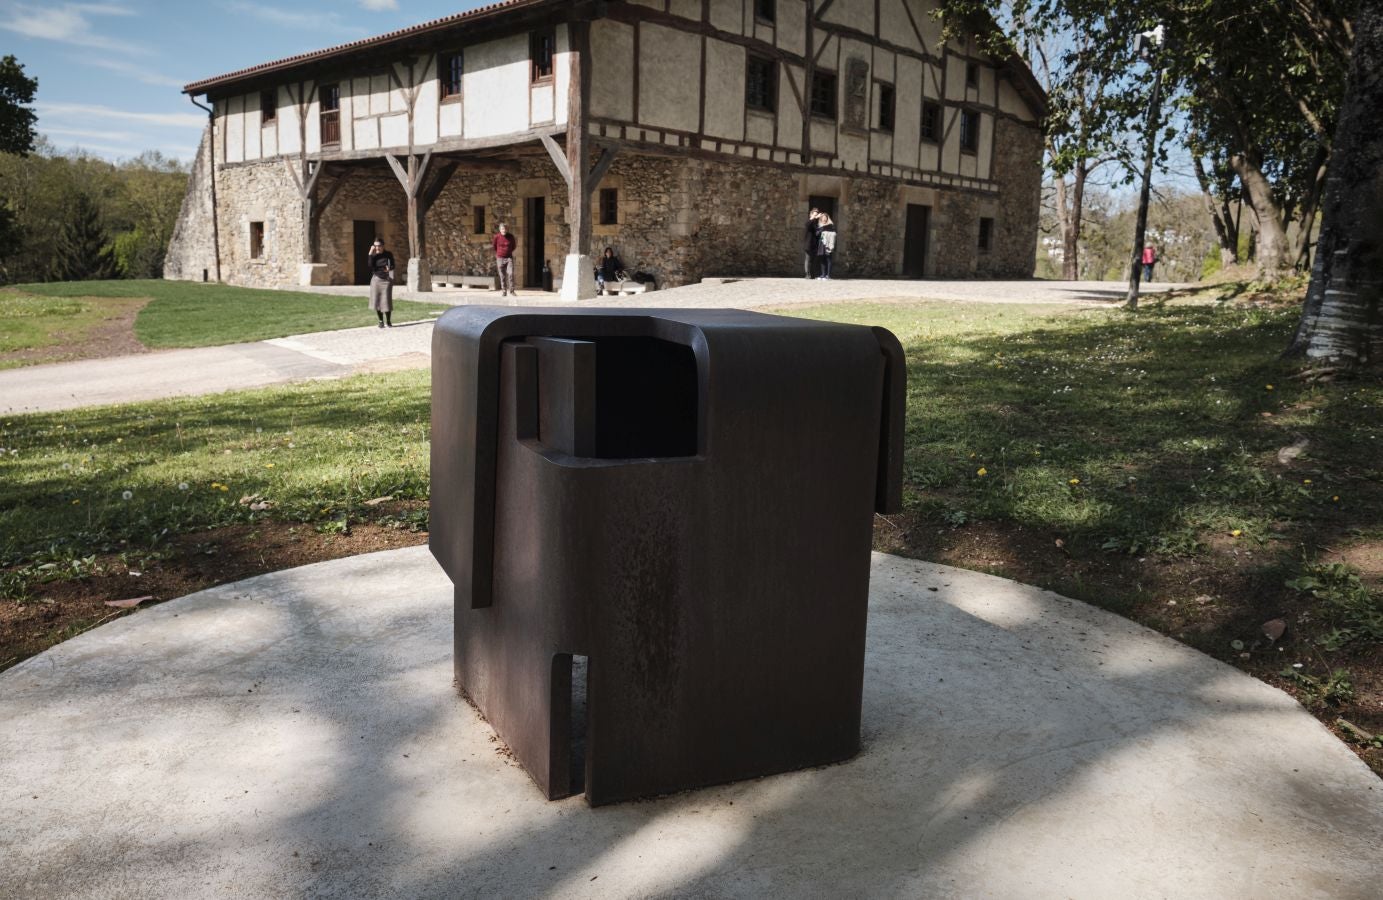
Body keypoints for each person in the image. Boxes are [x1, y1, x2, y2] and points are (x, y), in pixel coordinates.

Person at [367, 237, 395, 328]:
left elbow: (393, 265)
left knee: (386, 300)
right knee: (377, 301)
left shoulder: (388, 254)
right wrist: (370, 253)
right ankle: (380, 321)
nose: (377, 248)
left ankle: (388, 321)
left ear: (383, 246)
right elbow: (370, 266)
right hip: (376, 280)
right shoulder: (374, 255)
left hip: (386, 280)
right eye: (375, 246)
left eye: (379, 246)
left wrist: (389, 268)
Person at [493, 223, 517, 296]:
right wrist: (500, 253)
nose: (504, 230)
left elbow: (513, 246)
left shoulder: (510, 236)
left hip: (509, 258)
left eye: (505, 228)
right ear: (500, 230)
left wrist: (508, 252)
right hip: (500, 258)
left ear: (507, 229)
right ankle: (504, 291)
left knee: (510, 273)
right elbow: (494, 246)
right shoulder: (496, 237)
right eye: (503, 229)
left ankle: (512, 291)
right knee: (502, 275)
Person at [815, 213, 837, 279]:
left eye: (825, 217)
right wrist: (821, 229)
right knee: (822, 259)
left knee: (828, 259)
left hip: (828, 244)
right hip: (822, 243)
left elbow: (834, 233)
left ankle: (828, 275)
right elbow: (817, 234)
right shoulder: (819, 226)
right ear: (821, 219)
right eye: (823, 217)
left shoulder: (831, 225)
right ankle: (823, 274)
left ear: (827, 218)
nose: (824, 219)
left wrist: (824, 229)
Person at [803, 207, 821, 279]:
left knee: (813, 260)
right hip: (808, 244)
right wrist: (814, 217)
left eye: (817, 214)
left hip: (814, 244)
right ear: (811, 214)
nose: (816, 216)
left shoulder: (815, 223)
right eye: (814, 214)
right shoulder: (809, 221)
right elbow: (807, 225)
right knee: (808, 259)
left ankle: (812, 274)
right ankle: (807, 274)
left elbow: (816, 233)